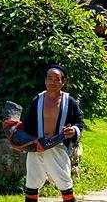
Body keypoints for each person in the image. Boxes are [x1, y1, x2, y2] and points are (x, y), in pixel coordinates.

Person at [20, 64, 84, 202]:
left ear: (63, 82)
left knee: (64, 181)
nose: (52, 82)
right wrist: (18, 132)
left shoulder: (70, 102)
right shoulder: (37, 100)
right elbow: (28, 122)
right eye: (50, 78)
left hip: (57, 146)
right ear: (45, 81)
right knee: (32, 181)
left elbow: (79, 122)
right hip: (36, 146)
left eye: (57, 79)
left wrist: (74, 130)